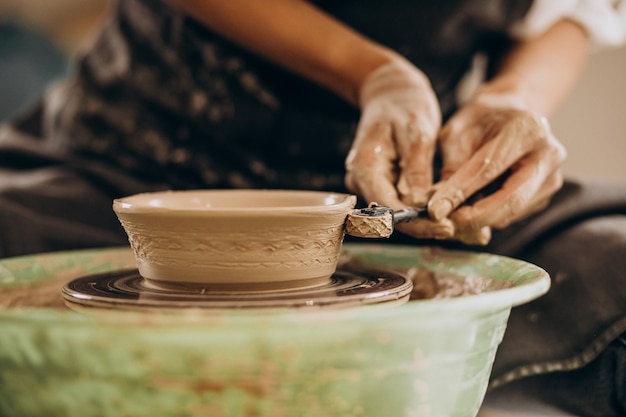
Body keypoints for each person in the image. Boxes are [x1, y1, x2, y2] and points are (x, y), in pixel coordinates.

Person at [0, 0, 625, 415]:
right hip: (132, 164)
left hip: (404, 183)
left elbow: (571, 11)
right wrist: (372, 73)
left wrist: (512, 100)